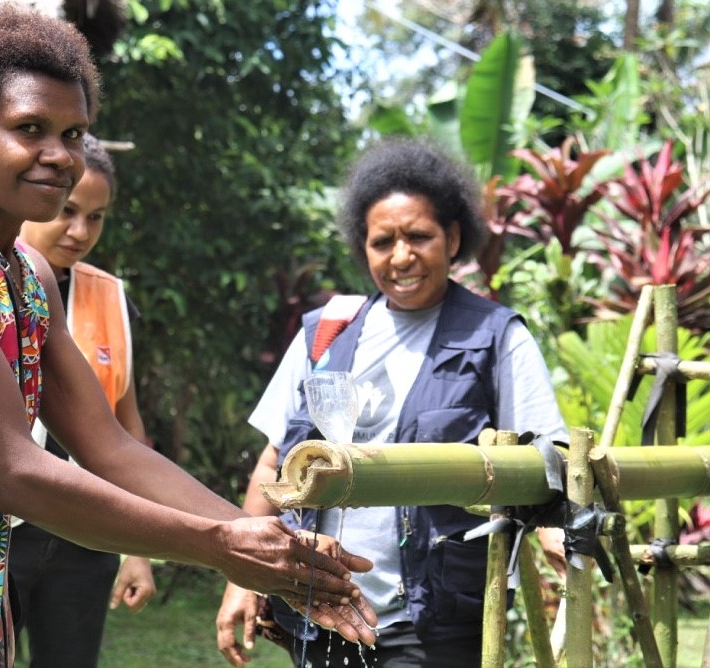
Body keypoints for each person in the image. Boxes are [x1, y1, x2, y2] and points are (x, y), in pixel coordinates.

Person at [0, 5, 378, 667]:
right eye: (30, 129)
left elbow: (106, 444)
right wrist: (219, 547)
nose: (61, 156)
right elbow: (17, 472)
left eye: (74, 133)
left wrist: (262, 542)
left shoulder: (26, 275)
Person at [216, 138, 568, 668]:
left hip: (434, 621)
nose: (401, 256)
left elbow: (545, 459)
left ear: (453, 237)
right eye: (383, 242)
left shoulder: (497, 338)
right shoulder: (325, 335)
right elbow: (274, 462)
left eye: (419, 236)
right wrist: (242, 579)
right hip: (320, 611)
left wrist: (556, 537)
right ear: (363, 248)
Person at [10, 135, 156, 667]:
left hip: (83, 535)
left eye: (95, 217)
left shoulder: (110, 297)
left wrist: (137, 548)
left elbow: (126, 423)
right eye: (67, 211)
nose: (79, 231)